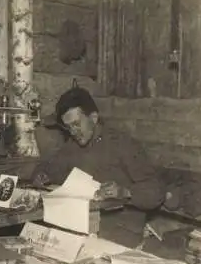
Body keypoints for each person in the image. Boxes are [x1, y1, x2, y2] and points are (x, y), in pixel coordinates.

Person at [32, 87, 165, 248]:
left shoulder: (123, 144)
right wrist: (42, 174)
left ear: (94, 118)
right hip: (83, 226)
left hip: (120, 231)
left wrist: (125, 192)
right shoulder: (72, 145)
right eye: (68, 127)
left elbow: (156, 192)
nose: (73, 132)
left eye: (76, 124)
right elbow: (51, 168)